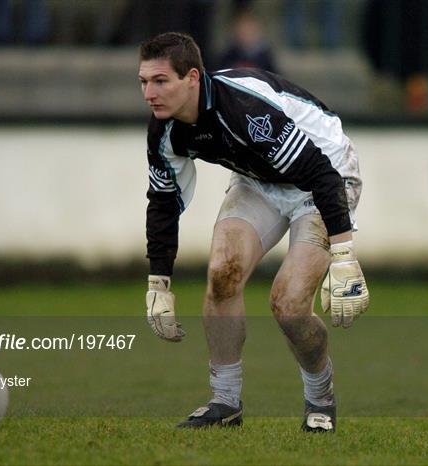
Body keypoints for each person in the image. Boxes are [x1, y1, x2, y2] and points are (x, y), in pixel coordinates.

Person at [138, 32, 370, 432]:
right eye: (143, 82)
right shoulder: (164, 129)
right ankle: (225, 402)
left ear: (192, 78)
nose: (149, 94)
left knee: (289, 304)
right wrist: (158, 282)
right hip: (260, 179)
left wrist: (345, 256)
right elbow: (162, 203)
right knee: (222, 271)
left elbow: (320, 174)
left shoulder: (243, 110)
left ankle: (320, 400)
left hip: (324, 177)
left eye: (160, 81)